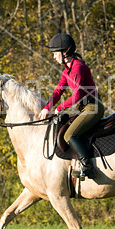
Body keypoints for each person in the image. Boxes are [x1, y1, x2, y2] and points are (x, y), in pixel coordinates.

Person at [38, 33, 104, 179]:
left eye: (55, 53)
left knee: (69, 134)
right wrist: (46, 107)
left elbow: (78, 95)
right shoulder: (67, 71)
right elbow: (57, 91)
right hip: (84, 109)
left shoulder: (78, 68)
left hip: (93, 108)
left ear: (65, 52)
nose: (54, 57)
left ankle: (88, 167)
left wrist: (59, 108)